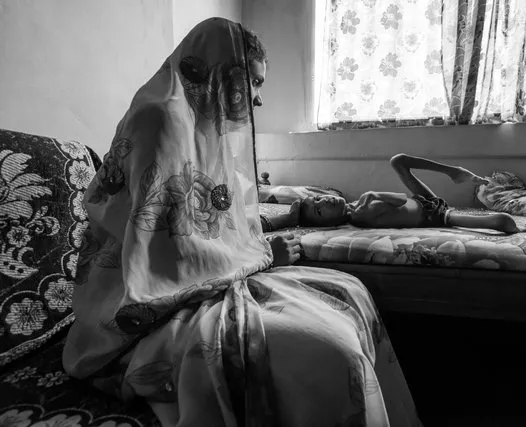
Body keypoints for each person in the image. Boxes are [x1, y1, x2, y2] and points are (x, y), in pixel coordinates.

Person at [63, 18, 421, 427]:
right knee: (329, 349)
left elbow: (214, 222)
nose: (259, 99)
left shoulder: (203, 130)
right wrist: (264, 258)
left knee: (348, 288)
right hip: (136, 312)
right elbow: (160, 252)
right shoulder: (160, 122)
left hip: (195, 283)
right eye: (254, 81)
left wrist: (262, 244)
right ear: (217, 70)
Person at [277, 154, 526, 234]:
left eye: (319, 198)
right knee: (500, 221)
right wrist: (372, 192)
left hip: (423, 203)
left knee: (398, 160)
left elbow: (404, 201)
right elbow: (398, 199)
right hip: (435, 216)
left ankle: (454, 171)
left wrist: (369, 195)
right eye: (320, 209)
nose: (325, 200)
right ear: (328, 222)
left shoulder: (358, 205)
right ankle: (523, 228)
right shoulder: (360, 214)